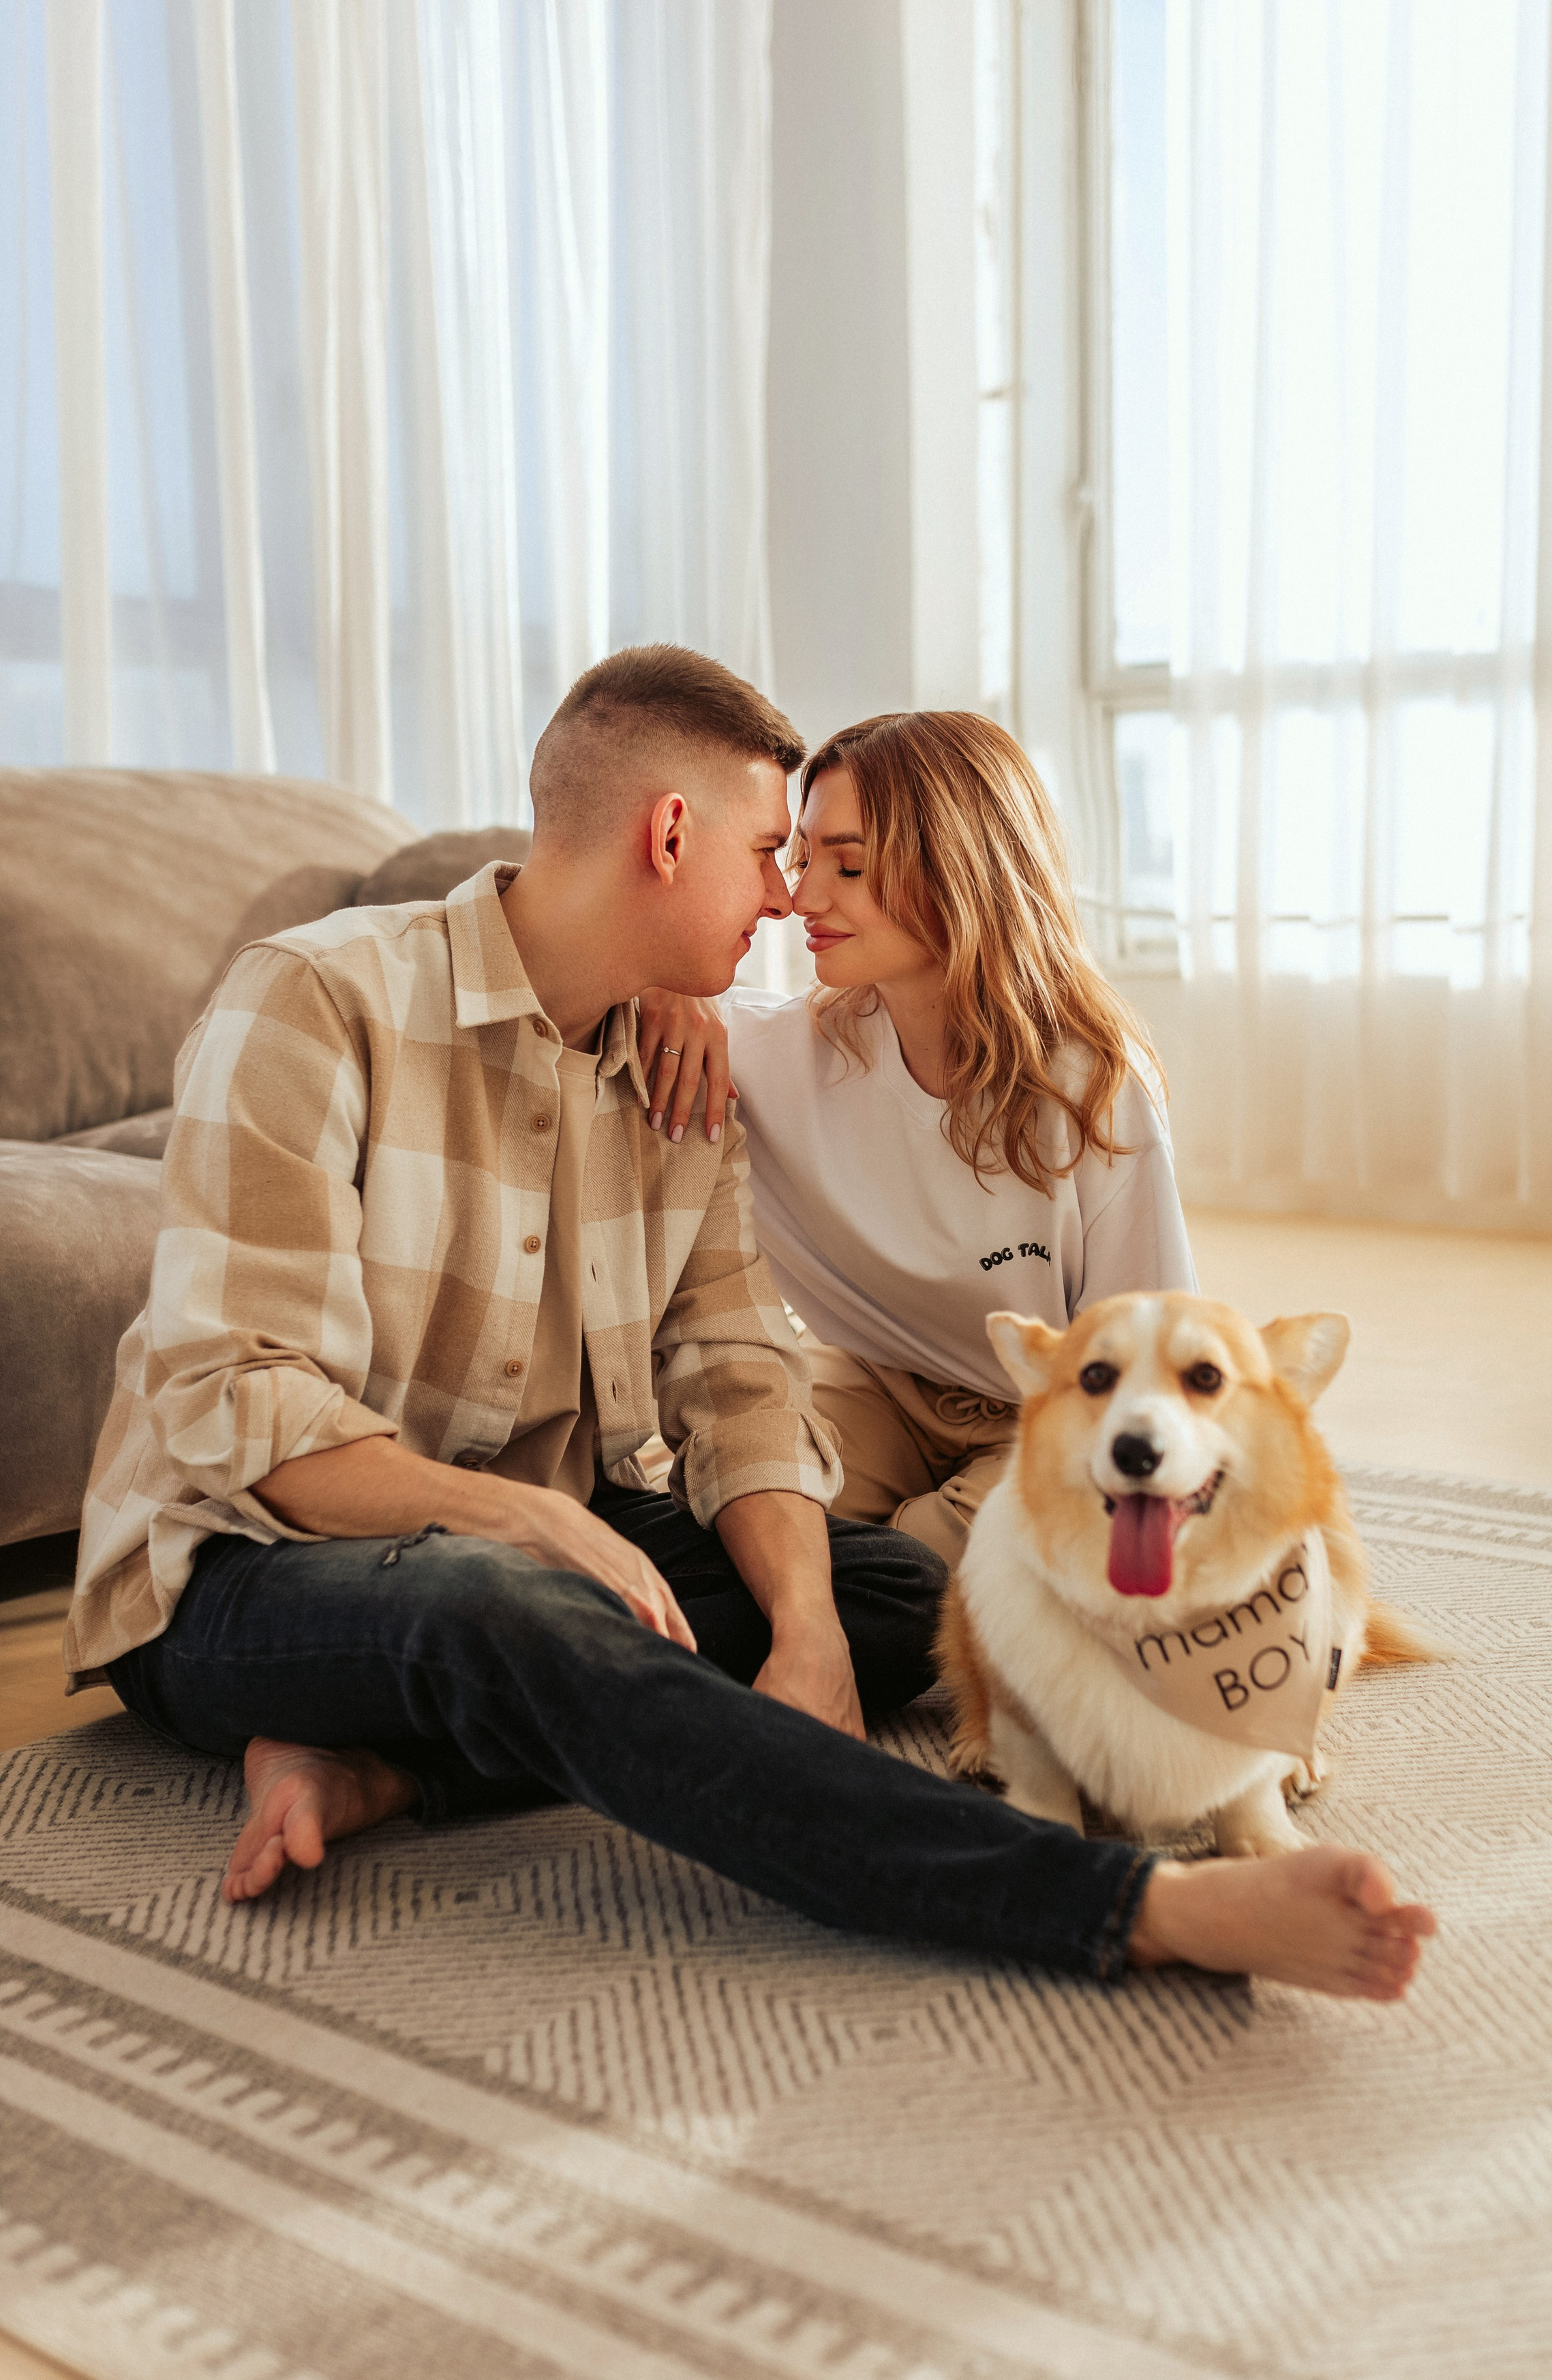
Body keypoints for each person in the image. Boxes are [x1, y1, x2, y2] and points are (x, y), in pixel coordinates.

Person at [66, 646, 1435, 2002]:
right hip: (239, 1561)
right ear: (669, 833)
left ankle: (378, 1756)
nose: (788, 899)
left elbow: (729, 1376)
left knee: (887, 1598)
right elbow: (237, 1405)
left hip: (531, 1538)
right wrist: (534, 1520)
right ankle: (1131, 1905)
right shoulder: (318, 1000)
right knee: (513, 1598)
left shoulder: (683, 1073)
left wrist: (804, 1628)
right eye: (775, 850)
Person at [637, 709, 1195, 1573]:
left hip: (1056, 1415)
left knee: (915, 1561)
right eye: (802, 858)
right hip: (872, 1386)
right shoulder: (779, 1052)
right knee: (730, 1514)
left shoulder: (1090, 1089)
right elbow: (566, 924)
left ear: (961, 874)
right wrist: (660, 980)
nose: (801, 898)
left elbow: (1155, 1363)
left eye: (849, 866)